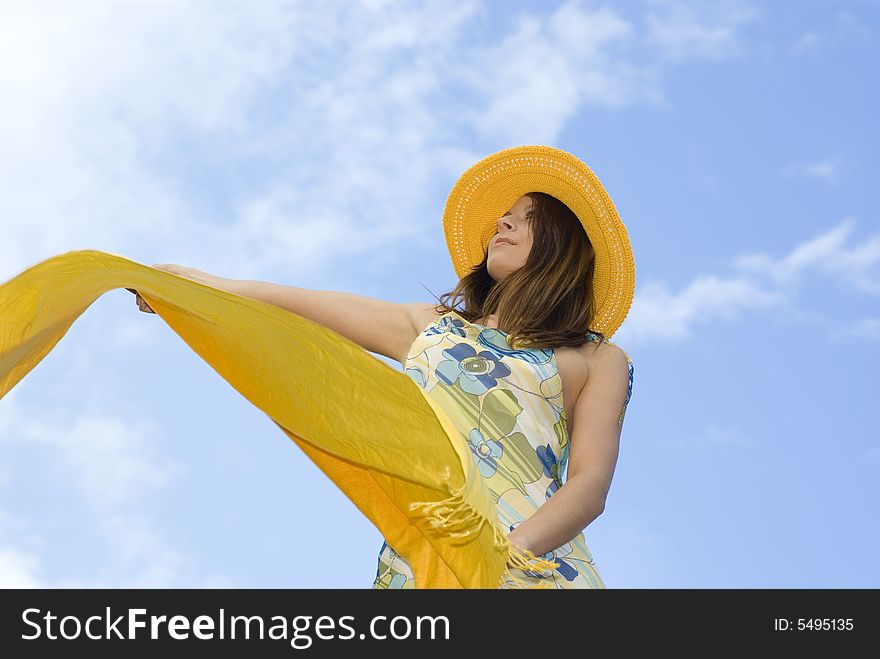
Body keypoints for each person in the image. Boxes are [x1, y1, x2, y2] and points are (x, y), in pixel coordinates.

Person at [130, 145, 636, 588]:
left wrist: (501, 556)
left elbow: (589, 483)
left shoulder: (597, 359)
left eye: (526, 218)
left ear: (562, 247)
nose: (502, 223)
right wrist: (185, 285)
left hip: (533, 567)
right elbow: (298, 302)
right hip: (421, 562)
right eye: (504, 214)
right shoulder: (432, 328)